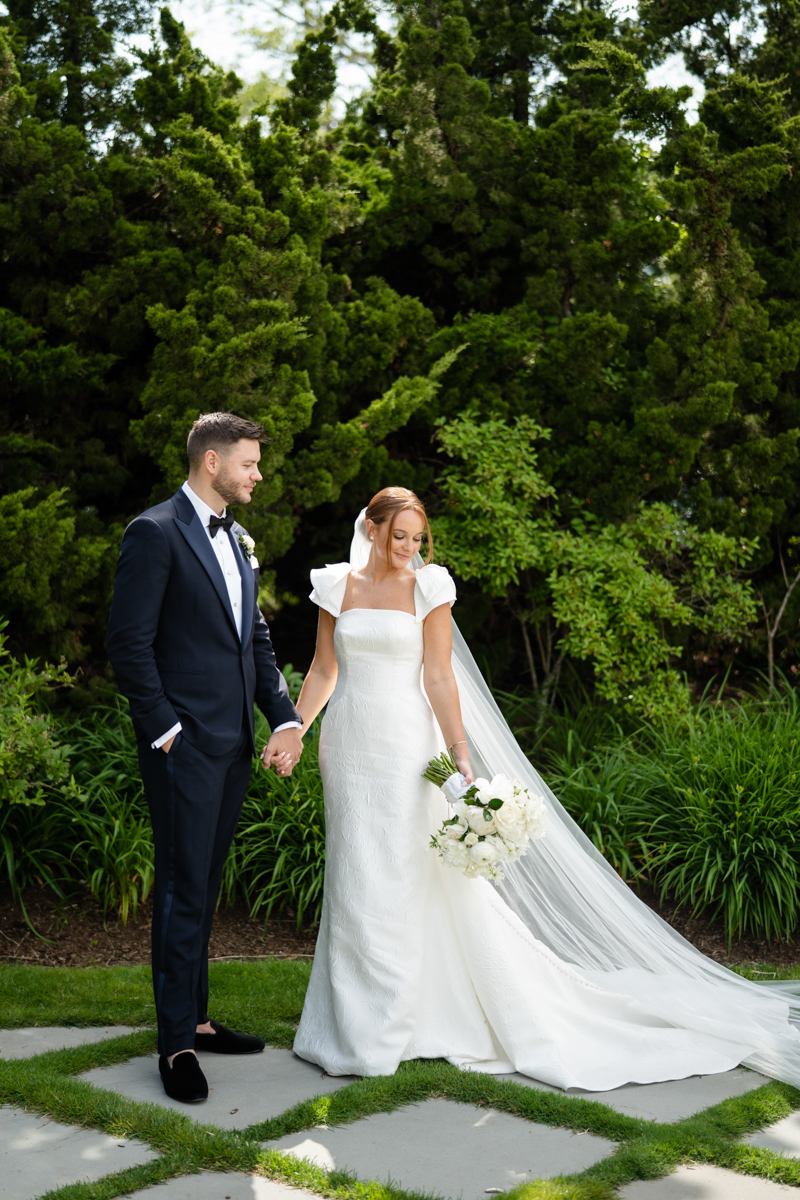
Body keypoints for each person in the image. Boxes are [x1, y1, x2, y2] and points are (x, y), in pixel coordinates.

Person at [287, 486, 800, 1090]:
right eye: (399, 536)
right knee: (354, 872)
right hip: (348, 746)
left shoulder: (430, 588)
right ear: (371, 529)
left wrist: (459, 756)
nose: (409, 549)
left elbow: (439, 676)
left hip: (406, 746)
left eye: (418, 538)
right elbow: (325, 669)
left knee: (400, 873)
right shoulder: (334, 587)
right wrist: (295, 727)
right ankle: (344, 1022)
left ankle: (386, 1025)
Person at [107, 412, 304, 1103]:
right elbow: (128, 645)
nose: (257, 475)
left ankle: (198, 1018)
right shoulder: (154, 533)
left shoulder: (240, 539)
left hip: (234, 746)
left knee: (205, 884)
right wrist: (166, 732)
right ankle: (176, 1047)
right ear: (212, 462)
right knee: (182, 889)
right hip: (183, 749)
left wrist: (284, 716)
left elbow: (254, 642)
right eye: (249, 463)